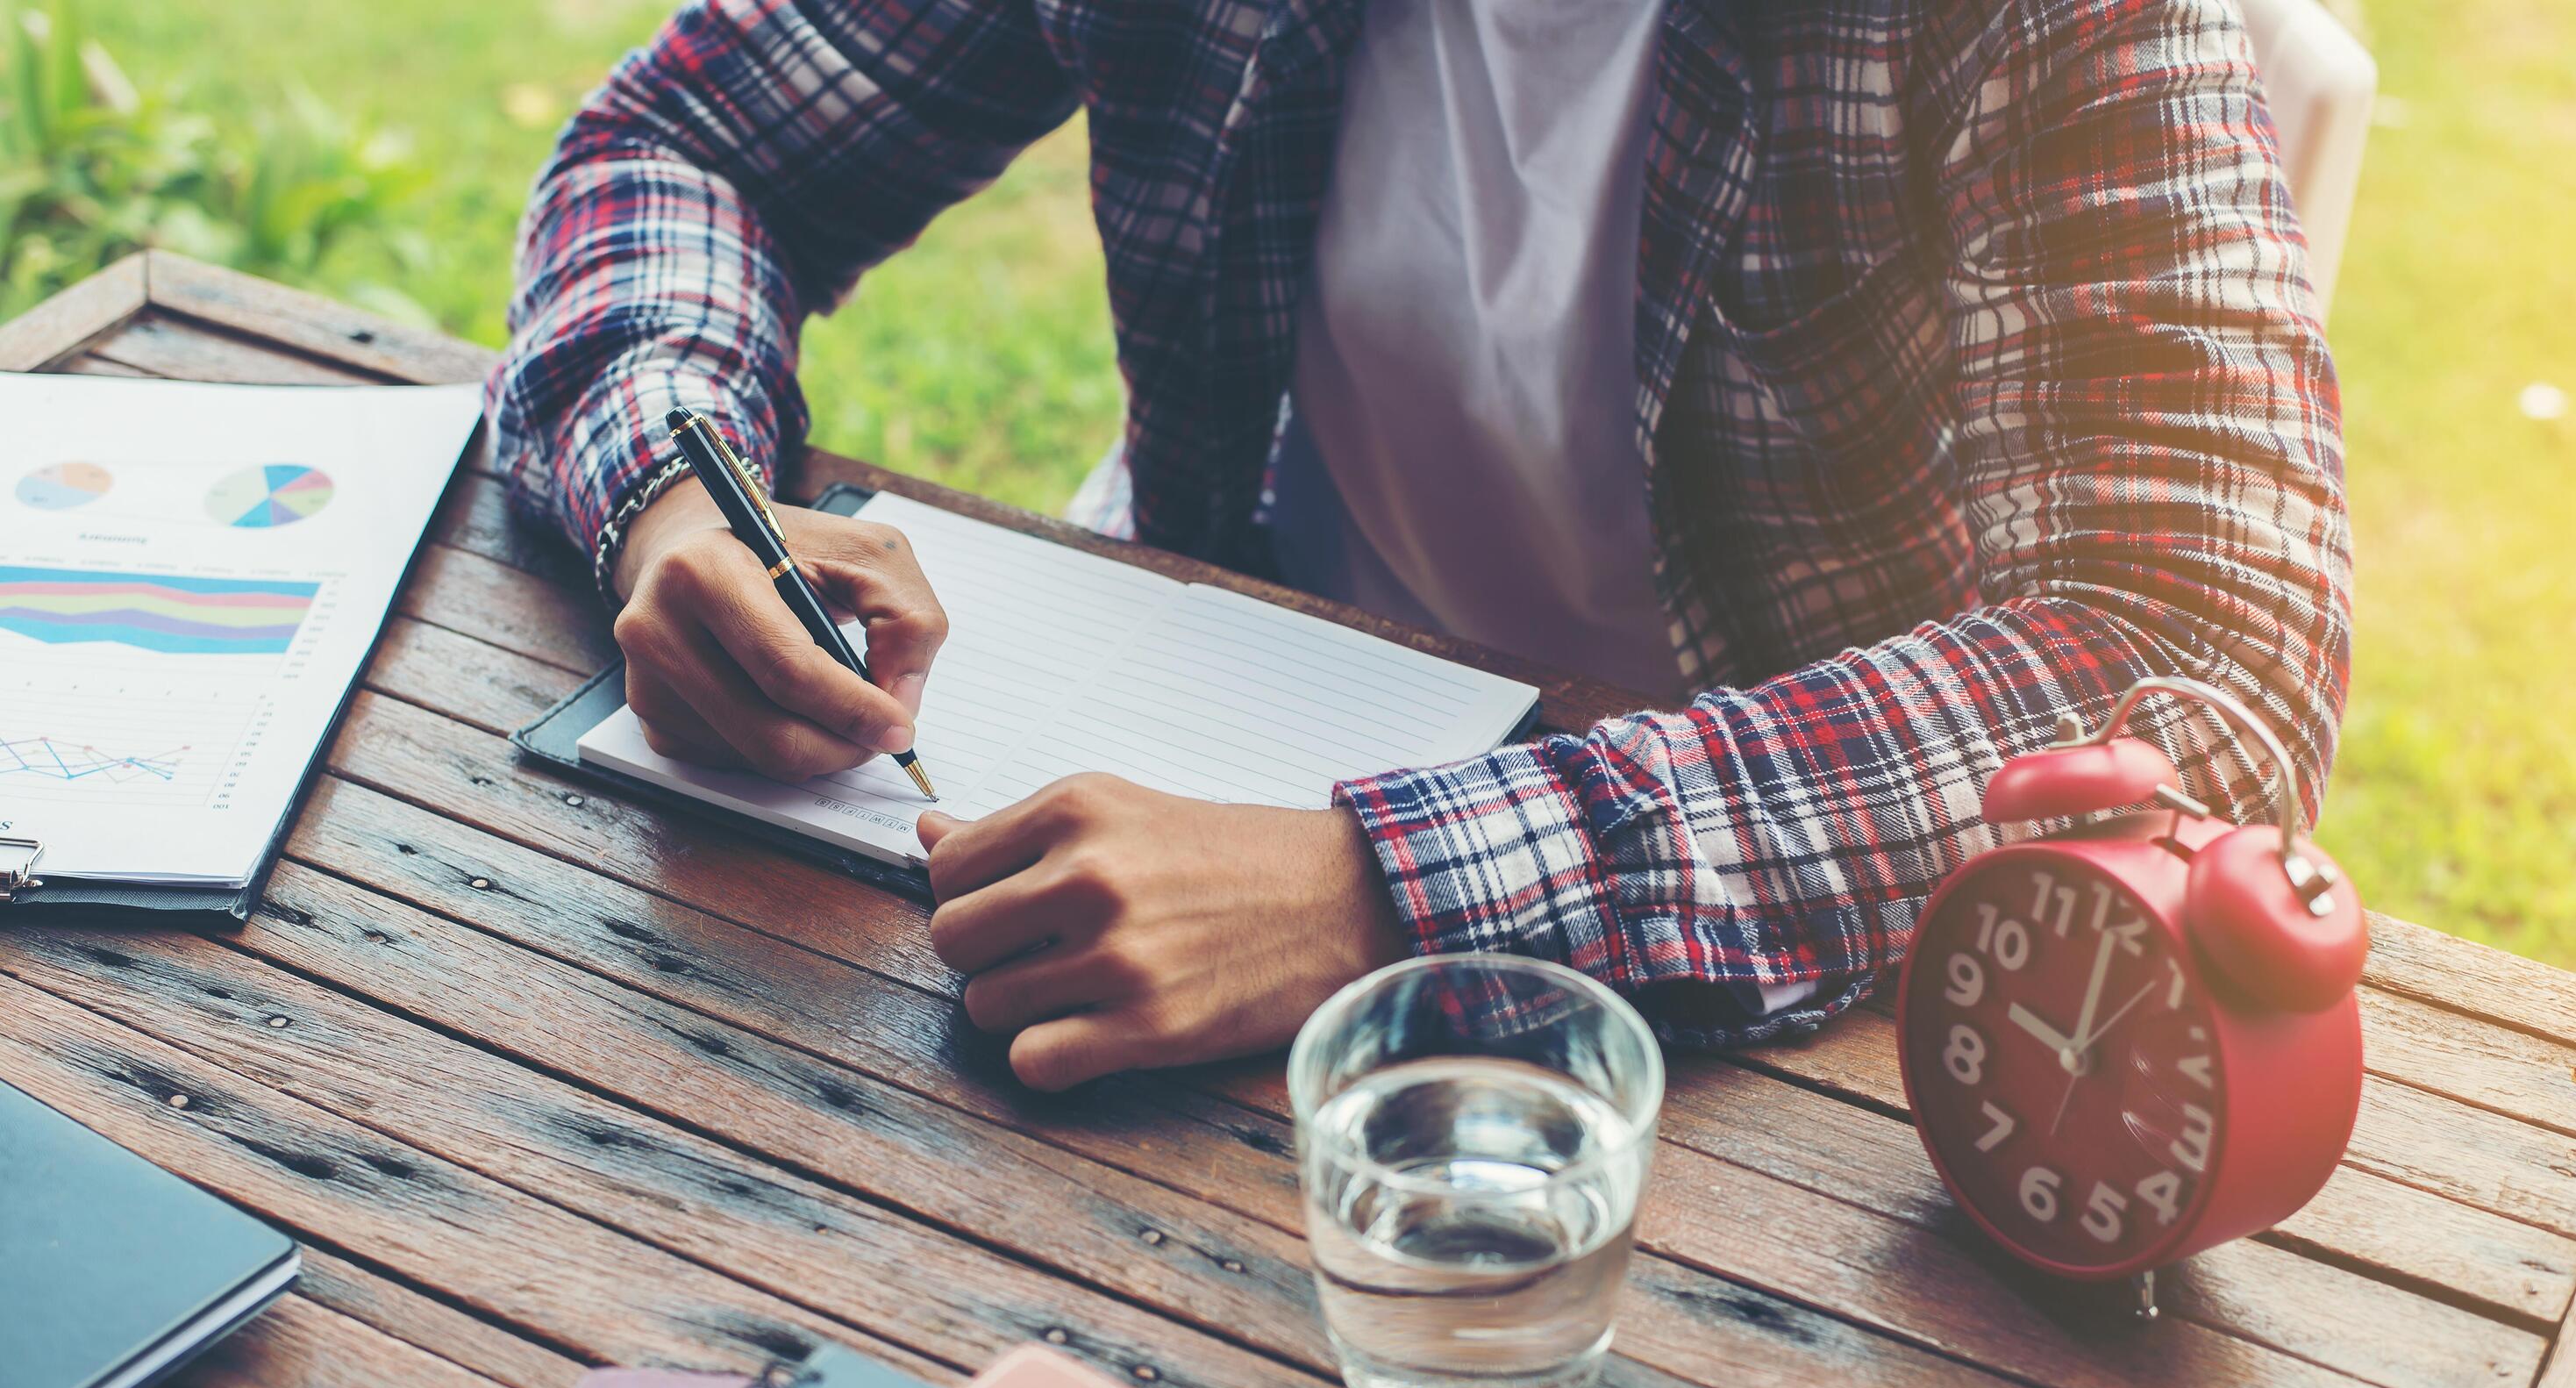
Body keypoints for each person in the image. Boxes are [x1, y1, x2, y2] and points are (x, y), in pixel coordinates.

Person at [491, 0, 2351, 1091]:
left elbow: (2204, 645)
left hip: (1746, 914)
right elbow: (686, 144)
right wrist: (674, 490)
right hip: (1172, 721)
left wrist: (1382, 893)